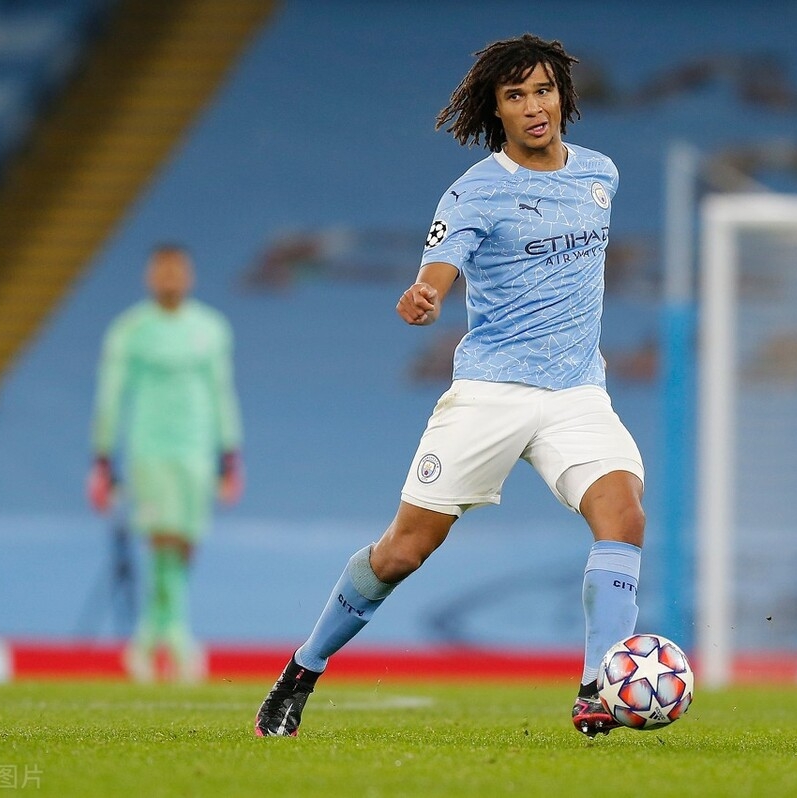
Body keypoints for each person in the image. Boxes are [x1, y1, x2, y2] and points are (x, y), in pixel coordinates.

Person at [255, 34, 646, 738]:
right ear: (496, 110)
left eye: (543, 90)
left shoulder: (600, 174)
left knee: (623, 516)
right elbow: (439, 266)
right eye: (516, 96)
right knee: (403, 551)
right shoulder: (476, 191)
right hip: (492, 392)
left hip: (577, 393)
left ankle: (596, 689)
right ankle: (301, 671)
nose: (534, 106)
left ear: (563, 96)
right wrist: (426, 293)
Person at [87, 243, 244, 683]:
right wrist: (102, 456)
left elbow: (221, 392)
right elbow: (111, 395)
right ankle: (177, 636)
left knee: (186, 541)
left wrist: (230, 453)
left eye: (177, 270)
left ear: (189, 276)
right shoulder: (130, 330)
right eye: (162, 270)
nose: (170, 278)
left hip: (196, 450)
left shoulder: (211, 329)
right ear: (149, 277)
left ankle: (147, 637)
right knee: (162, 538)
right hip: (150, 448)